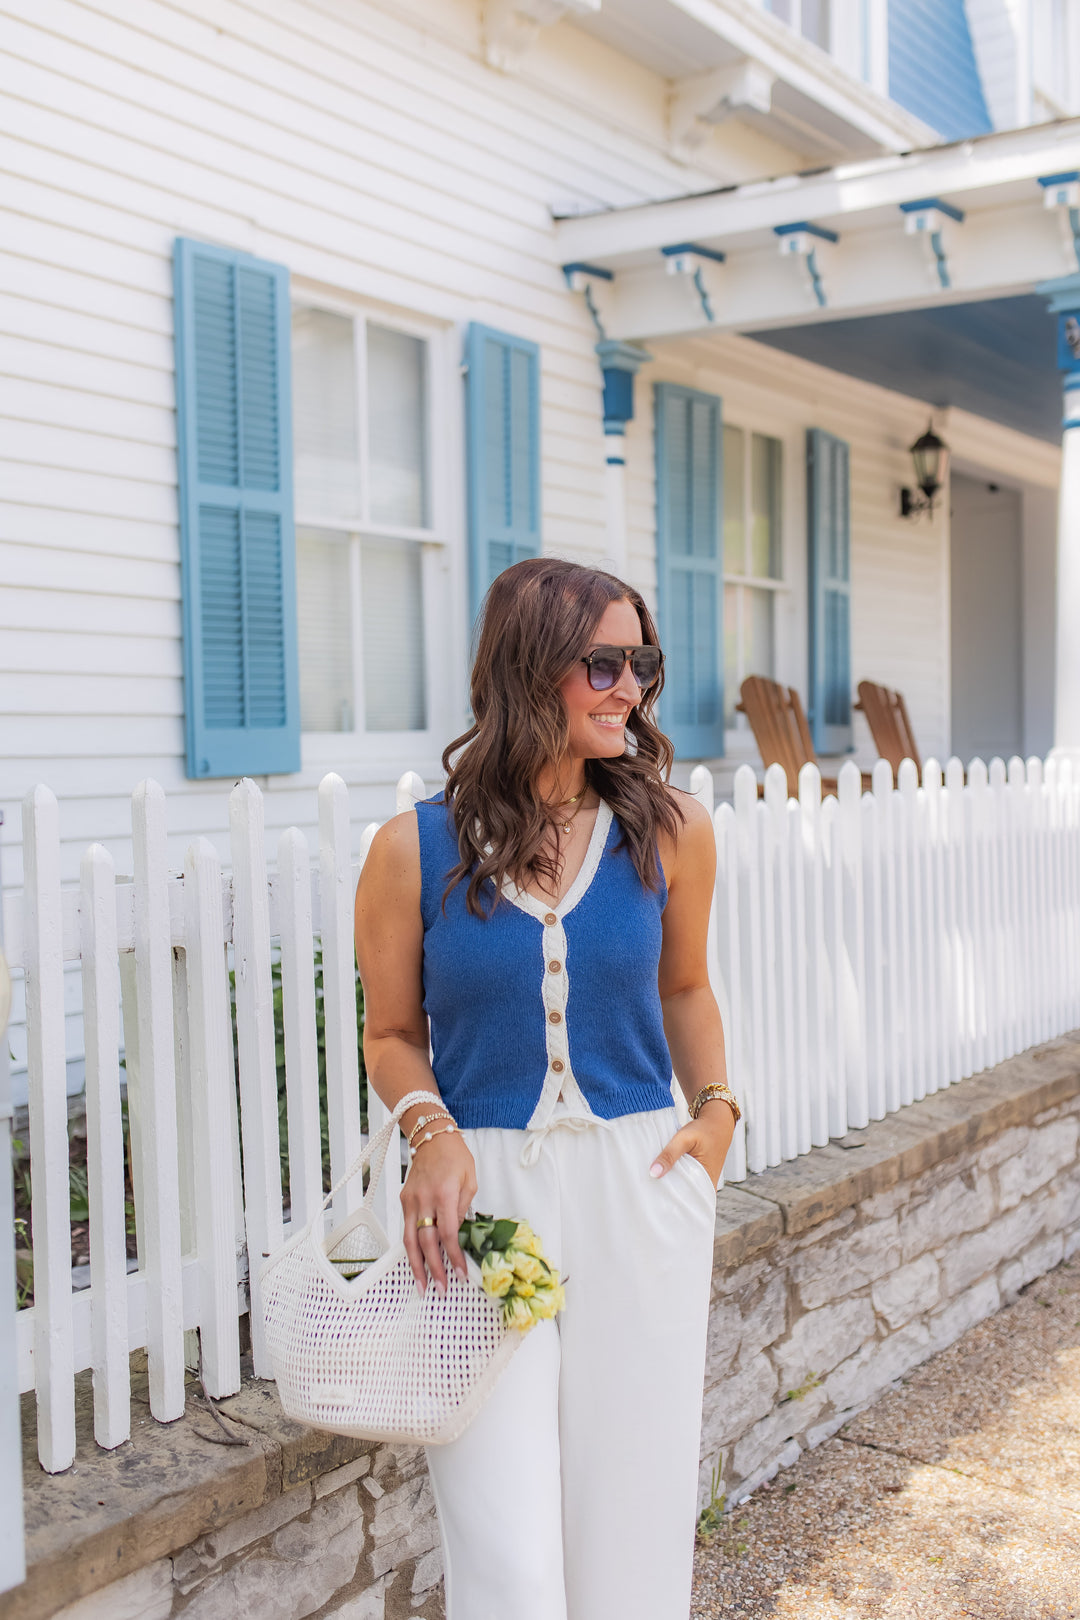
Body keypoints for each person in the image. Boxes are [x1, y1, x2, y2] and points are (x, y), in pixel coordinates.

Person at [354, 557, 739, 1620]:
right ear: (530, 672)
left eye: (642, 662)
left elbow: (689, 989)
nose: (634, 689)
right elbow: (390, 1033)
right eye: (605, 664)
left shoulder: (674, 831)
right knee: (508, 1550)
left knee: (633, 1517)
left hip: (642, 1182)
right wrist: (430, 1130)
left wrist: (717, 1116)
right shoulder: (410, 850)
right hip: (483, 1212)